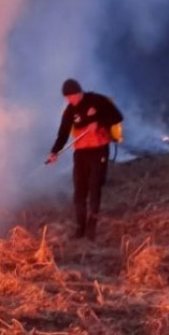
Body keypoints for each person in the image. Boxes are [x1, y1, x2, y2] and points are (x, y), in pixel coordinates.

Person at [46, 78, 124, 240]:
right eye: (67, 98)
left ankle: (91, 228)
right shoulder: (70, 111)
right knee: (79, 192)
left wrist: (98, 122)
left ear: (79, 92)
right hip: (81, 153)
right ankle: (79, 229)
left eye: (71, 96)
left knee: (94, 189)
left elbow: (117, 117)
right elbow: (63, 134)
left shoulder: (97, 100)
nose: (69, 100)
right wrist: (54, 152)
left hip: (99, 151)